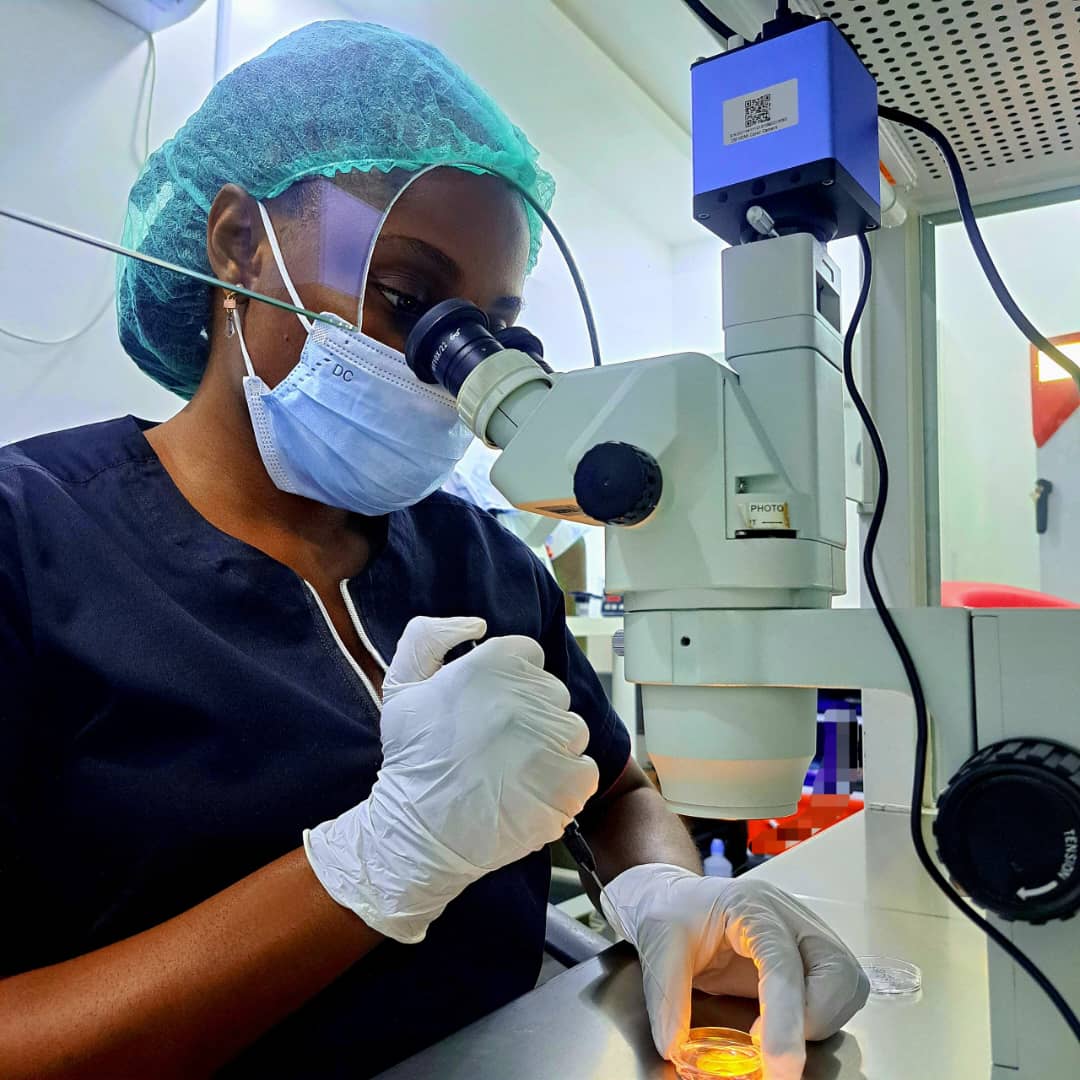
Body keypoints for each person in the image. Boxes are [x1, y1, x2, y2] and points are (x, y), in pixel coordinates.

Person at [0, 21, 868, 1079]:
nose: (441, 370)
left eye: (488, 329)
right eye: (409, 302)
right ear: (237, 244)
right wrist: (373, 866)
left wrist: (663, 897)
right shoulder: (30, 540)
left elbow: (618, 788)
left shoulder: (481, 561)